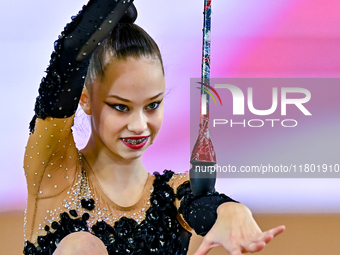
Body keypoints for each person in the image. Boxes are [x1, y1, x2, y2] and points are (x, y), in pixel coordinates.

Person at [23, 1, 285, 255]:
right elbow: (72, 52)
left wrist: (230, 210)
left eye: (152, 105)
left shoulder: (172, 195)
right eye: (121, 107)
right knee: (82, 245)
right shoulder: (54, 169)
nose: (139, 126)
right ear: (85, 99)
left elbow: (205, 206)